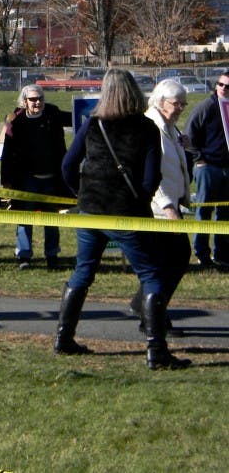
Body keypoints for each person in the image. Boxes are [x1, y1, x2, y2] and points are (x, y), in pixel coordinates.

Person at [56, 68, 189, 370]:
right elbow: (151, 176)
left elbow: (67, 165)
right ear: (133, 90)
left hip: (91, 212)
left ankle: (63, 339)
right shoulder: (145, 128)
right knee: (152, 276)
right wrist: (138, 199)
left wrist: (82, 193)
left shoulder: (92, 123)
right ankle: (157, 351)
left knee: (83, 272)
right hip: (126, 213)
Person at [127, 79, 192, 335]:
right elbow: (153, 173)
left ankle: (144, 307)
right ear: (161, 101)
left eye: (183, 105)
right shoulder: (153, 126)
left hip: (170, 205)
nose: (180, 109)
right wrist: (168, 208)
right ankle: (152, 317)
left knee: (167, 263)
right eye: (176, 104)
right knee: (170, 263)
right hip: (158, 210)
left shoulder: (169, 128)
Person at [0, 84, 70, 270]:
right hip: (26, 179)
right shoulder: (16, 121)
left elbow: (76, 117)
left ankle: (52, 255)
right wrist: (6, 179)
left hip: (51, 177)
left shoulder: (53, 114)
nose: (37, 102)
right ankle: (24, 256)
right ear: (24, 101)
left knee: (51, 219)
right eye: (33, 99)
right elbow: (7, 152)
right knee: (25, 216)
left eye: (40, 98)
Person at [184, 69, 229, 269]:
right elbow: (188, 134)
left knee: (225, 213)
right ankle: (202, 254)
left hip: (226, 168)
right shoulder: (207, 106)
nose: (223, 89)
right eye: (220, 85)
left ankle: (223, 254)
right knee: (204, 211)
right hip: (208, 167)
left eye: (228, 86)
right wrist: (199, 159)